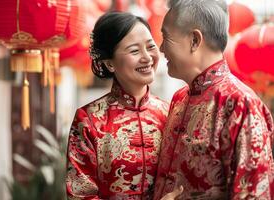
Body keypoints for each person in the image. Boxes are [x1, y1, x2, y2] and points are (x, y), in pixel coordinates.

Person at [153, 0, 274, 199]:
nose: (161, 48)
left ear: (194, 40)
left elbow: (253, 194)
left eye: (166, 37)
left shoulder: (240, 104)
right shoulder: (180, 99)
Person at [65, 12, 169, 199]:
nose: (147, 57)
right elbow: (81, 195)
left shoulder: (171, 113)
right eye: (134, 51)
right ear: (109, 63)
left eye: (150, 46)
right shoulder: (89, 120)